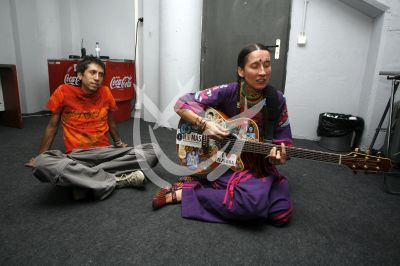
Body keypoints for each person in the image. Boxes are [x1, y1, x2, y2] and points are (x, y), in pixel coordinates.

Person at [152, 43, 293, 225]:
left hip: (259, 165)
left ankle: (234, 193)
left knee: (280, 215)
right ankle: (183, 193)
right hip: (226, 163)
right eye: (255, 65)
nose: (263, 72)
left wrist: (278, 157)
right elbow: (181, 103)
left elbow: (284, 142)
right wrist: (204, 124)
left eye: (267, 65)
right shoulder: (228, 91)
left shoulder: (276, 100)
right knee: (253, 204)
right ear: (241, 71)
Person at [25, 56, 160, 200]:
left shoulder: (106, 92)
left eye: (101, 74)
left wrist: (119, 144)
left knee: (153, 151)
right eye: (92, 73)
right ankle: (117, 180)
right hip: (76, 156)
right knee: (41, 164)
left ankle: (82, 180)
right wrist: (40, 156)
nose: (97, 78)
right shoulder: (63, 92)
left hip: (106, 152)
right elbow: (52, 128)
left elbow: (111, 123)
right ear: (80, 75)